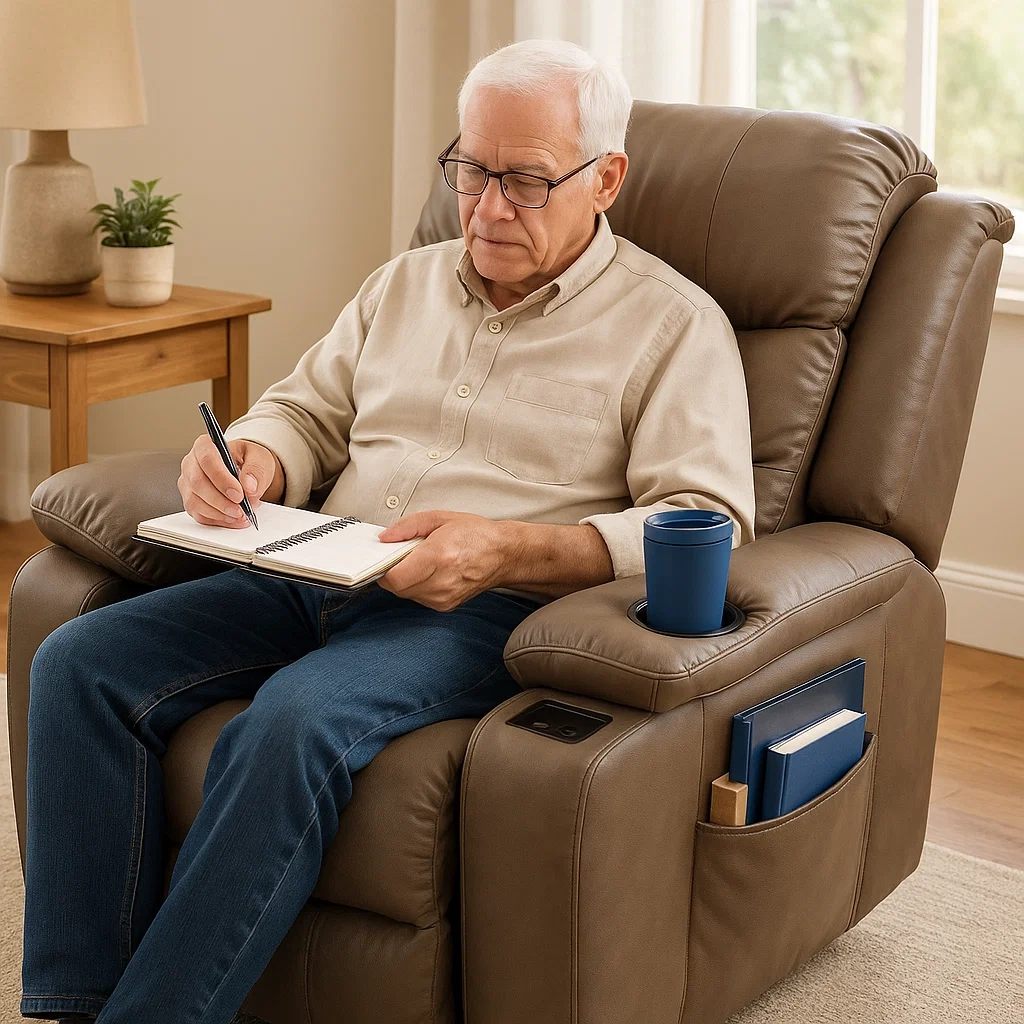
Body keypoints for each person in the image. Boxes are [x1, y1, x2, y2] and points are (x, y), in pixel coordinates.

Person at [20, 37, 755, 1024]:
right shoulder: (401, 285)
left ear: (605, 178)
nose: (489, 207)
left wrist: (512, 547)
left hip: (476, 609)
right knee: (78, 661)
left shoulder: (673, 327)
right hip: (316, 565)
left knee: (291, 724)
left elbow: (704, 520)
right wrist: (254, 458)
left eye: (526, 181)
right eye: (470, 170)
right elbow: (304, 411)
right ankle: (74, 1003)